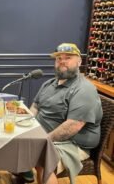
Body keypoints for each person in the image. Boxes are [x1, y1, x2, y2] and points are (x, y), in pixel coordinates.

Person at [30, 43, 103, 184]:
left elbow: (72, 126)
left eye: (68, 57)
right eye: (58, 58)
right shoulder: (49, 84)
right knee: (15, 144)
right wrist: (26, 129)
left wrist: (43, 141)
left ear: (79, 61)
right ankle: (24, 174)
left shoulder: (84, 89)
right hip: (45, 135)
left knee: (44, 159)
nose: (62, 61)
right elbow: (35, 107)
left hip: (71, 143)